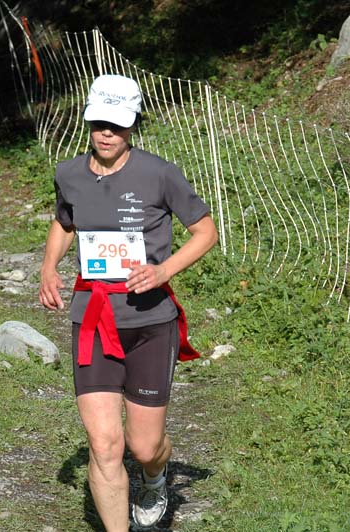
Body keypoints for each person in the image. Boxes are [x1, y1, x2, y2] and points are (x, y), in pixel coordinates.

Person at [39, 74, 218, 531]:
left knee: (143, 447)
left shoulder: (159, 173)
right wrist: (48, 267)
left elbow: (206, 232)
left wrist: (163, 271)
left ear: (133, 124)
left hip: (150, 322)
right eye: (99, 123)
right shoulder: (68, 174)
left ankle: (154, 476)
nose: (106, 133)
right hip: (93, 319)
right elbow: (64, 222)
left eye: (117, 125)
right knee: (104, 446)